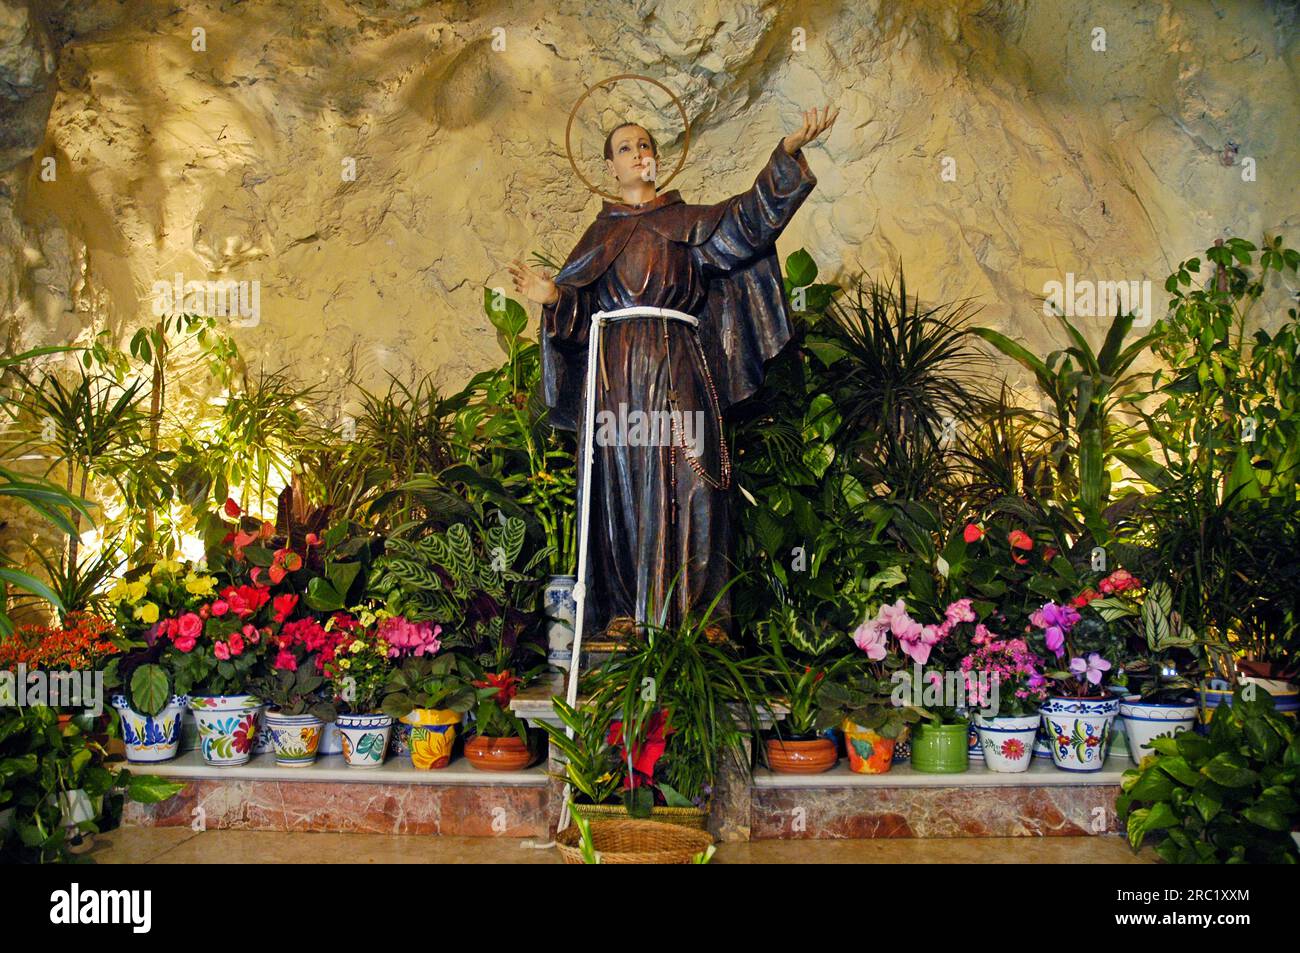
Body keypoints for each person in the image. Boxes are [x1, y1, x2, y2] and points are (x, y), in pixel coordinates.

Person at [509, 106, 838, 641]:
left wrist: (788, 152)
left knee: (696, 473)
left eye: (645, 144)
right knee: (621, 481)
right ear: (610, 169)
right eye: (625, 148)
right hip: (617, 374)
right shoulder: (598, 236)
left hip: (681, 363)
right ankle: (627, 613)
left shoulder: (692, 225)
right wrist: (554, 298)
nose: (640, 152)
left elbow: (751, 222)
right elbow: (577, 311)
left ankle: (701, 616)